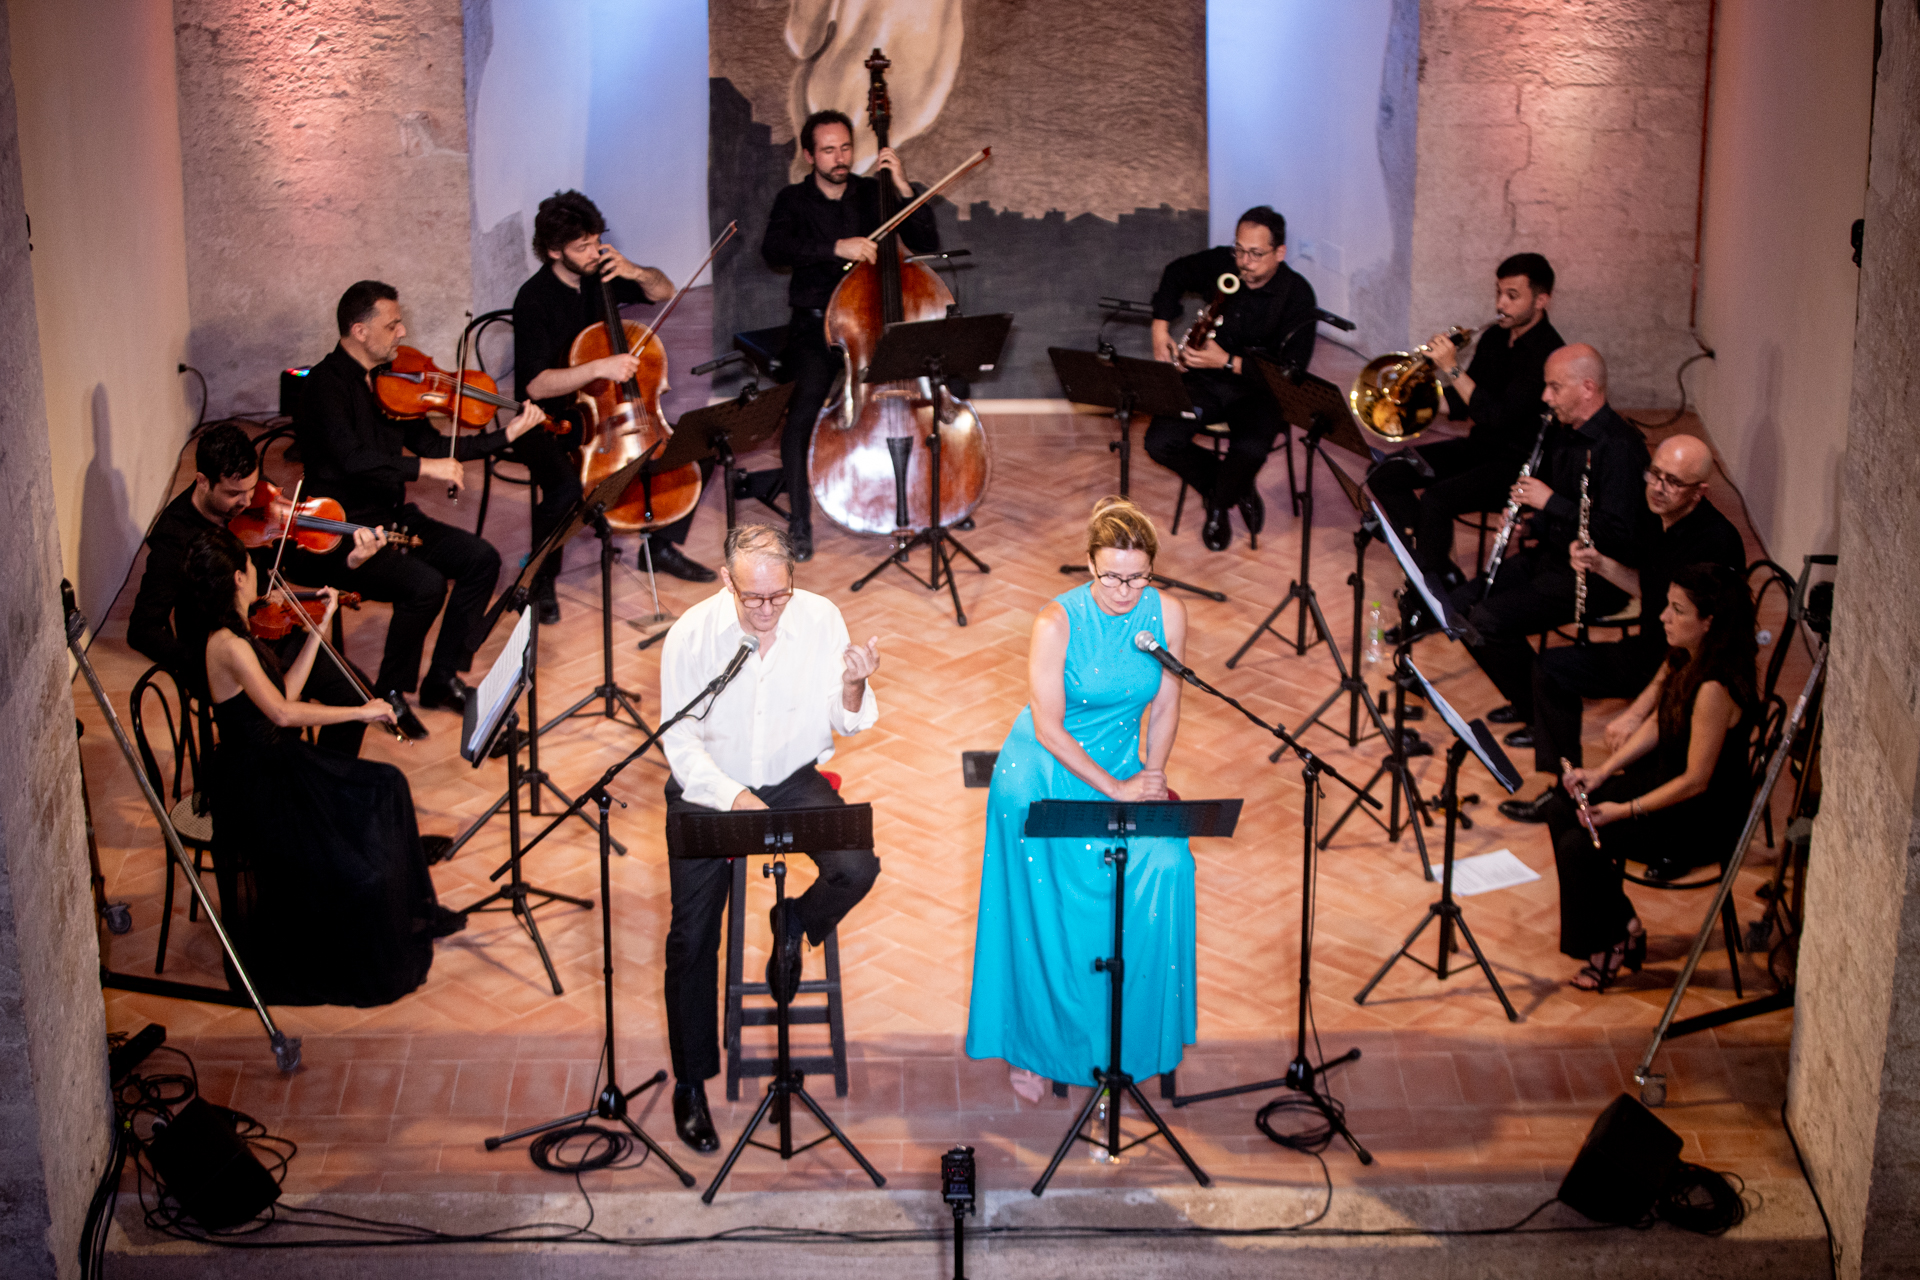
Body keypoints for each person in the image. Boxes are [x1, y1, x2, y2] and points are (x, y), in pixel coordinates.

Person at [657, 523, 882, 1151]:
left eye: (777, 597)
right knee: (691, 939)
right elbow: (678, 744)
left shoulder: (820, 618)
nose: (764, 611)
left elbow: (848, 719)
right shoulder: (691, 636)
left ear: (792, 582)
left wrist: (855, 684)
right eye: (750, 598)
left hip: (789, 779)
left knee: (857, 867)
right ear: (726, 579)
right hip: (710, 788)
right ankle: (692, 1081)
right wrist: (734, 798)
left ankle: (794, 922)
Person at [966, 497, 1192, 1103]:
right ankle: (1036, 1045)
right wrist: (1116, 790)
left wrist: (1152, 773)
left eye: (1137, 575)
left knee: (1168, 864)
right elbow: (1048, 728)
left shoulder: (1166, 613)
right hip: (1043, 771)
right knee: (1047, 910)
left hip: (1122, 762)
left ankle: (1136, 1034)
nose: (1124, 590)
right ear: (1089, 565)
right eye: (1111, 575)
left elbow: (1168, 703)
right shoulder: (1055, 622)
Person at [184, 529, 466, 1007]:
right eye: (250, 568)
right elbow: (284, 714)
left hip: (277, 762)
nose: (257, 575)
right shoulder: (226, 646)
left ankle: (412, 912)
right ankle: (377, 925)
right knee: (367, 824)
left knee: (387, 784)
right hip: (258, 781)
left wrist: (318, 627)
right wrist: (361, 712)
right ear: (237, 577)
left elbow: (286, 694)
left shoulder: (238, 632)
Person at [290, 280, 548, 739]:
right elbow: (354, 461)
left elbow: (432, 444)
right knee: (425, 587)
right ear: (359, 331)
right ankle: (389, 694)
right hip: (343, 529)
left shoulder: (390, 382)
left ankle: (442, 678)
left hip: (394, 518)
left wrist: (506, 436)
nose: (403, 332)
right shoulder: (322, 388)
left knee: (481, 559)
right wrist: (426, 468)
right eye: (392, 325)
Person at [1500, 434, 1746, 818]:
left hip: (1692, 668)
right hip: (1649, 648)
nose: (1658, 488)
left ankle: (1672, 829)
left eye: (1673, 482)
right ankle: (1563, 785)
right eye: (1654, 474)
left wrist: (1637, 712)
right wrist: (1599, 564)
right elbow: (1651, 593)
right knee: (1551, 669)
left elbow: (1696, 646)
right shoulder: (1653, 518)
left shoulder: (1715, 543)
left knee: (1653, 740)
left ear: (1700, 492)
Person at [1545, 563, 1758, 991]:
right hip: (1669, 784)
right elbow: (1663, 720)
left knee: (1579, 843)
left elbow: (1697, 780)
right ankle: (1623, 921)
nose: (1663, 617)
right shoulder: (1687, 656)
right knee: (1560, 804)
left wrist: (1621, 810)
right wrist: (1601, 772)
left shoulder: (1716, 687)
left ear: (1708, 623)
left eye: (1677, 610)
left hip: (1698, 818)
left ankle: (1610, 941)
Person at [128, 422, 378, 757]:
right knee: (276, 729)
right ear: (202, 481)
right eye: (233, 494)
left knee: (355, 694)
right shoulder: (173, 541)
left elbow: (294, 559)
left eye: (250, 488)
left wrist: (351, 560)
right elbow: (141, 630)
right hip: (219, 652)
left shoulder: (259, 501)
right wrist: (201, 660)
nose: (247, 501)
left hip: (268, 628)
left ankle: (326, 784)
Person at [512, 189, 714, 600]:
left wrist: (635, 270)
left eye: (596, 240)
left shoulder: (602, 275)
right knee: (567, 489)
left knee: (702, 446)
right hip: (549, 422)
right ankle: (540, 581)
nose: (594, 252)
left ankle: (658, 549)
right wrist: (599, 368)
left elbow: (664, 290)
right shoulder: (533, 298)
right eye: (582, 246)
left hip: (611, 413)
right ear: (553, 251)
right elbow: (534, 385)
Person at [1444, 344, 1653, 735]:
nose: (1545, 397)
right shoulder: (1563, 432)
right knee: (1458, 605)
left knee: (1488, 621)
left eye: (1555, 387)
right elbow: (1565, 506)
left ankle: (1541, 713)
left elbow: (1616, 534)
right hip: (1553, 557)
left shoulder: (1620, 449)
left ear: (1587, 388)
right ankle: (1529, 697)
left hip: (1598, 576)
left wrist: (1550, 502)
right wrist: (1533, 524)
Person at [759, 108, 939, 561]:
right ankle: (799, 521)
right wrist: (834, 248)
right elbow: (775, 250)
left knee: (944, 386)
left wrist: (901, 187)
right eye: (827, 150)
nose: (839, 158)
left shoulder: (872, 193)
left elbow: (926, 240)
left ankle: (936, 500)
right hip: (817, 326)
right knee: (802, 411)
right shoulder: (792, 201)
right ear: (808, 155)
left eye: (845, 148)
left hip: (874, 325)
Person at [1372, 253, 1564, 608]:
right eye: (1498, 293)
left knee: (1436, 500)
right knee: (1385, 471)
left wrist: (1452, 369)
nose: (1499, 304)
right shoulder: (1493, 339)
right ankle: (1436, 567)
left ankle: (1428, 596)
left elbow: (1496, 415)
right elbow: (1464, 407)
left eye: (1511, 295)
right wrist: (1410, 399)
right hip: (1481, 448)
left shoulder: (1548, 354)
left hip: (1516, 465)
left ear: (1541, 300)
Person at [1143, 206, 1317, 551]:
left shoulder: (1298, 296)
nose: (1244, 262)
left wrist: (1227, 362)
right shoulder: (1225, 264)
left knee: (1251, 448)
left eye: (1255, 254)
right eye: (1239, 249)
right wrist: (1159, 326)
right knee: (1159, 441)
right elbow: (1176, 271)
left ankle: (1220, 505)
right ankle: (1228, 485)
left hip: (1258, 391)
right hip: (1204, 382)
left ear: (1279, 253)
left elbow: (1292, 370)